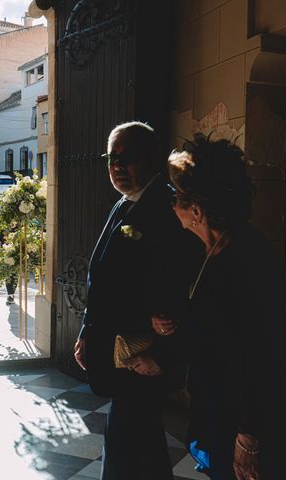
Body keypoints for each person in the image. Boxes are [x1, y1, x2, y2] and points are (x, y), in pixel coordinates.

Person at [158, 134, 286, 480]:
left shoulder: (250, 262)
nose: (171, 206)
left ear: (196, 209)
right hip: (224, 409)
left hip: (255, 419)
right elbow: (219, 327)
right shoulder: (216, 250)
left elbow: (268, 357)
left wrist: (249, 437)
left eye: (174, 197)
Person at [73, 121, 200, 480]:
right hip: (119, 354)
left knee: (130, 446)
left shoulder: (167, 207)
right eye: (111, 158)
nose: (116, 166)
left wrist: (162, 355)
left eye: (125, 158)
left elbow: (181, 286)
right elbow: (102, 277)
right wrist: (87, 329)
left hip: (143, 356)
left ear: (150, 158)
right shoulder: (123, 205)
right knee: (137, 444)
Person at [0, 230, 17, 305]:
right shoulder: (4, 227)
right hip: (5, 253)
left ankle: (11, 294)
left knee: (14, 275)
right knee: (8, 275)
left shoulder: (18, 227)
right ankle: (10, 295)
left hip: (16, 253)